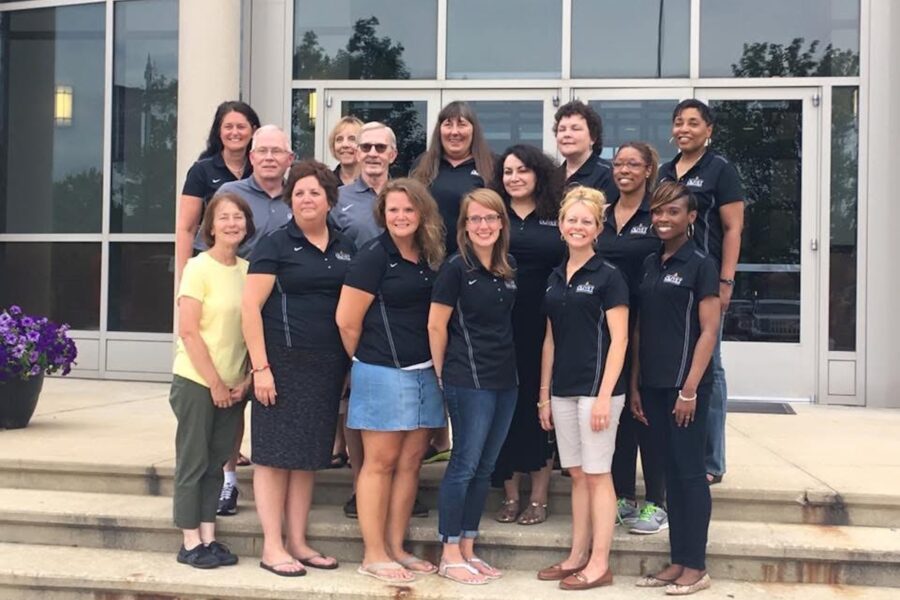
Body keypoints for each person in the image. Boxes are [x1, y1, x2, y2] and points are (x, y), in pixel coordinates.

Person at [242, 160, 355, 577]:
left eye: (315, 192)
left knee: (308, 457)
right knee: (273, 458)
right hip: (281, 364)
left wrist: (348, 365)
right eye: (300, 193)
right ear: (291, 200)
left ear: (330, 199)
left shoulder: (345, 245)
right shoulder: (274, 244)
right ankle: (273, 546)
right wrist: (260, 368)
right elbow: (250, 307)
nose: (307, 199)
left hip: (327, 366)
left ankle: (298, 541)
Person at [336, 178, 446, 583]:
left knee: (410, 464)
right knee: (379, 464)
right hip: (381, 371)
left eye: (409, 210)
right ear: (383, 214)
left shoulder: (429, 255)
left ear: (422, 214)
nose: (401, 216)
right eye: (394, 210)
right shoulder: (372, 256)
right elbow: (347, 321)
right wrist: (369, 361)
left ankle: (397, 547)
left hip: (424, 373)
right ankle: (374, 552)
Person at [537, 186, 629, 591]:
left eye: (585, 222)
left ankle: (599, 563)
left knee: (597, 474)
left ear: (598, 229)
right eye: (570, 220)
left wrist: (606, 396)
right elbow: (549, 340)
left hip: (597, 392)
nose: (577, 227)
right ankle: (576, 556)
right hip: (562, 390)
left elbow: (620, 340)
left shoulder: (609, 276)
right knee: (576, 473)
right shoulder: (555, 277)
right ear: (560, 227)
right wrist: (544, 394)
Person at [631, 182, 721, 595]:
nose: (663, 219)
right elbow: (639, 330)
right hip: (651, 386)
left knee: (689, 477)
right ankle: (678, 560)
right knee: (667, 475)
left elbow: (708, 331)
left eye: (673, 212)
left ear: (691, 217)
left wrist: (690, 389)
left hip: (685, 390)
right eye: (658, 212)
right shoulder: (651, 262)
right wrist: (634, 385)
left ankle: (696, 567)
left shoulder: (701, 263)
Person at [428, 189, 518, 585]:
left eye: (490, 218)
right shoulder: (455, 268)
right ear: (464, 226)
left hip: (505, 379)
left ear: (501, 223)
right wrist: (443, 375)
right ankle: (448, 552)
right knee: (463, 465)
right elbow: (435, 325)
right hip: (469, 379)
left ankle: (467, 546)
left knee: (485, 467)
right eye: (475, 219)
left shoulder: (508, 266)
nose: (483, 226)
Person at [206, 125, 295, 517]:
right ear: (252, 156)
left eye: (278, 151)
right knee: (233, 400)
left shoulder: (301, 196)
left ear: (290, 159)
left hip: (289, 315)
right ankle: (229, 481)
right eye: (263, 151)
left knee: (276, 394)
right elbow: (209, 249)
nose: (271, 157)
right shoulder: (232, 197)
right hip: (240, 309)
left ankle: (281, 479)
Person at [658, 99, 744, 484]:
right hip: (669, 282)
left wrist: (726, 281)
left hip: (706, 281)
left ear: (709, 130)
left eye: (694, 123)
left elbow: (732, 229)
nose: (685, 129)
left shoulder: (721, 170)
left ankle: (711, 460)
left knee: (711, 366)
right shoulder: (665, 171)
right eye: (679, 122)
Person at [169, 192, 255, 569]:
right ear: (211, 226)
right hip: (196, 381)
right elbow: (189, 332)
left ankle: (208, 535)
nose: (232, 223)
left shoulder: (249, 270)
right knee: (193, 461)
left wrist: (246, 380)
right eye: (224, 217)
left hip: (235, 384)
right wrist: (215, 384)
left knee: (216, 463)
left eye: (239, 217)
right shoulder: (197, 267)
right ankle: (189, 542)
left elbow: (252, 329)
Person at [412, 101, 495, 463]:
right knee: (433, 347)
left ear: (473, 130)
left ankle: (472, 445)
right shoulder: (424, 169)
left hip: (477, 275)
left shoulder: (490, 168)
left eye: (462, 124)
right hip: (433, 272)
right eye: (447, 124)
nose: (455, 131)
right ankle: (437, 437)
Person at [488, 145, 564, 526]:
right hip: (499, 325)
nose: (514, 177)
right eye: (507, 171)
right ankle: (510, 494)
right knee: (506, 408)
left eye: (522, 170)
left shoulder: (555, 214)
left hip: (545, 325)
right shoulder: (494, 215)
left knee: (540, 407)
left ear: (538, 174)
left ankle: (538, 496)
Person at [598, 142, 668, 534]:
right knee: (619, 416)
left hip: (650, 325)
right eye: (619, 163)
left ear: (647, 170)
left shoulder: (655, 215)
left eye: (633, 164)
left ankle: (657, 501)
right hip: (609, 329)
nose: (624, 169)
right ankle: (623, 494)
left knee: (648, 416)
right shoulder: (602, 214)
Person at [176, 101, 260, 280]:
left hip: (252, 267)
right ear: (219, 131)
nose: (235, 132)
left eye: (241, 127)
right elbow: (187, 228)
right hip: (212, 265)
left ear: (253, 130)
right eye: (228, 127)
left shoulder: (260, 170)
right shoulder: (201, 171)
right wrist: (184, 277)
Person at [553, 100, 618, 203]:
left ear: (593, 137)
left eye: (575, 129)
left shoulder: (608, 174)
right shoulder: (553, 176)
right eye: (562, 129)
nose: (567, 134)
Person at [329, 116, 364, 186]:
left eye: (352, 139)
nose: (345, 145)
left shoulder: (374, 183)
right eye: (339, 139)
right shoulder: (325, 183)